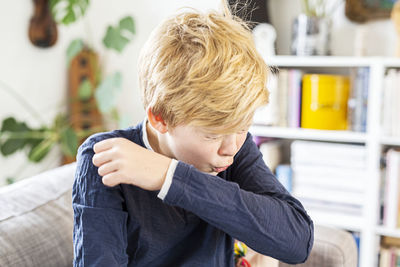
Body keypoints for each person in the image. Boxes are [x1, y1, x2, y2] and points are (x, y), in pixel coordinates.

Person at [72, 1, 314, 266]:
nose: (231, 147)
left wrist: (169, 177)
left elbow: (298, 241)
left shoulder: (234, 147)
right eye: (213, 135)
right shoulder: (105, 159)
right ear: (160, 118)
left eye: (243, 127)